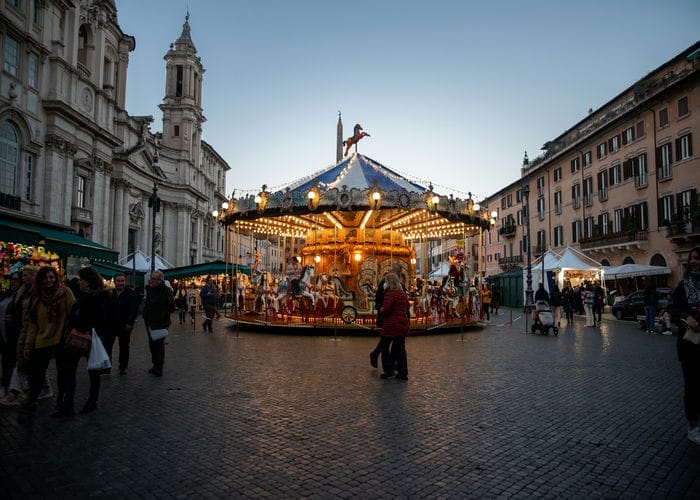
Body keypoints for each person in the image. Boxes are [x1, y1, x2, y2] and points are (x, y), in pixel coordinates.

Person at [18, 266, 74, 421]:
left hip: (62, 339)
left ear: (56, 278)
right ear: (41, 280)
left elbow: (73, 314)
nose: (49, 280)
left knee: (62, 375)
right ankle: (31, 403)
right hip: (42, 340)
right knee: (37, 374)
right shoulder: (37, 297)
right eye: (46, 278)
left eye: (51, 277)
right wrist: (29, 345)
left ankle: (61, 405)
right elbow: (33, 323)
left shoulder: (65, 293)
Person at [55, 267, 110, 417]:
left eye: (81, 280)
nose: (79, 282)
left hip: (90, 338)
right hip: (77, 338)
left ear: (88, 282)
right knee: (70, 371)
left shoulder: (98, 297)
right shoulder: (83, 295)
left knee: (92, 371)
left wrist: (82, 326)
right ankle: (68, 405)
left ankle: (91, 402)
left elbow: (100, 318)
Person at [668, 246, 700, 445]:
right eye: (692, 258)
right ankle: (693, 426)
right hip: (689, 344)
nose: (694, 261)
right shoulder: (683, 286)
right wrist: (687, 318)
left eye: (697, 257)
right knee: (692, 386)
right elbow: (672, 307)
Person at [370, 263, 403, 369]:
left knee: (386, 341)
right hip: (390, 318)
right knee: (388, 342)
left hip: (391, 318)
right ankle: (390, 366)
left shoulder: (391, 284)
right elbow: (385, 302)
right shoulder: (392, 285)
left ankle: (381, 358)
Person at [378, 272, 410, 380]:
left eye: (386, 282)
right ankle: (403, 372)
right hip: (402, 323)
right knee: (400, 349)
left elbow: (386, 309)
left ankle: (388, 370)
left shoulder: (390, 293)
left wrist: (381, 310)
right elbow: (406, 306)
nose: (384, 284)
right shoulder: (401, 292)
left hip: (391, 325)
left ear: (389, 282)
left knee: (384, 347)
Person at [105, 273, 138, 375]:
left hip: (124, 325)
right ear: (114, 282)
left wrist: (130, 323)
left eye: (122, 281)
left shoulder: (130, 293)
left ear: (125, 281)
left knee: (124, 346)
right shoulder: (110, 293)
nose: (120, 283)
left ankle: (123, 366)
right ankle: (107, 367)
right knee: (108, 346)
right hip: (111, 324)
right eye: (118, 281)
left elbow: (134, 309)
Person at [142, 270, 174, 376]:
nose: (151, 280)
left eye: (153, 279)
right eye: (151, 278)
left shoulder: (167, 291)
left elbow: (171, 307)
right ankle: (155, 364)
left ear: (160, 280)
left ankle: (159, 367)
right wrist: (146, 316)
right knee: (152, 345)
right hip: (150, 322)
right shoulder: (150, 289)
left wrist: (162, 317)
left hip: (161, 323)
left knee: (159, 346)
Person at [0, 271, 22, 399]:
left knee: (10, 362)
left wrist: (14, 319)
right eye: (12, 279)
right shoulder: (5, 295)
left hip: (13, 335)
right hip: (2, 333)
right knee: (5, 362)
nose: (13, 282)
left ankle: (9, 390)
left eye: (16, 280)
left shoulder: (21, 297)